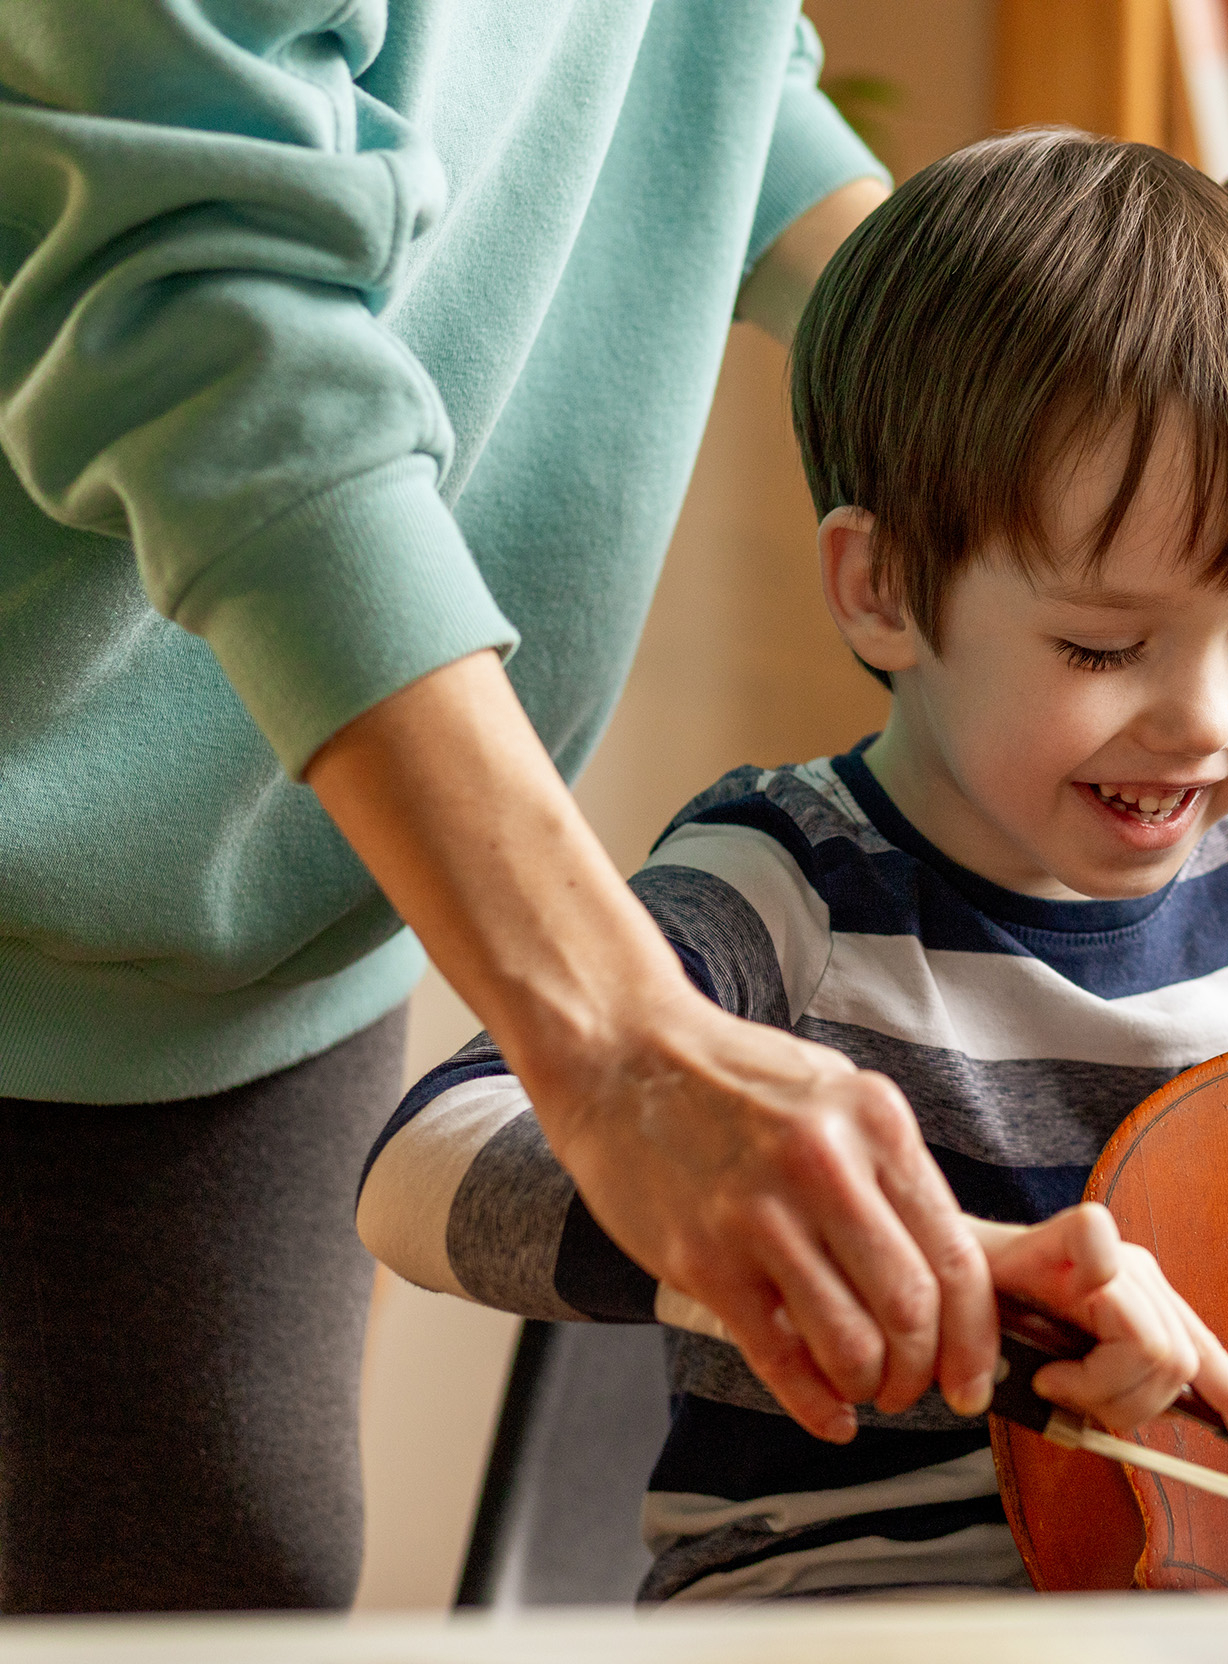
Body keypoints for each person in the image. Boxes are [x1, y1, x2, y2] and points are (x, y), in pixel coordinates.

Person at [355, 128, 1228, 1603]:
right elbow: (420, 1176)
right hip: (853, 1615)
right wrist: (912, 1268)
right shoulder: (786, 889)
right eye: (1100, 644)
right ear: (883, 589)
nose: (1205, 720)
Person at [0, 1, 1020, 1615]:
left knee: (222, 1598)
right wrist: (617, 1033)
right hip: (51, 865)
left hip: (265, 896)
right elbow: (197, 305)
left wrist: (1059, 367)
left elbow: (707, 66)